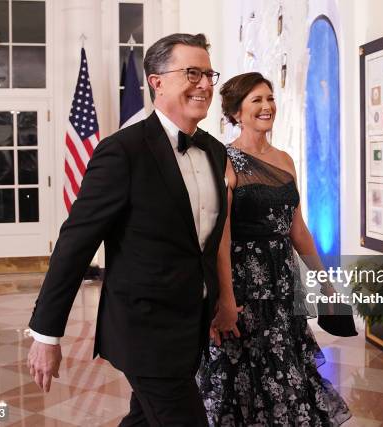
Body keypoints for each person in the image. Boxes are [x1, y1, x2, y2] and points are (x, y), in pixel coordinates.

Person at [27, 33, 240, 426]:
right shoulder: (121, 151)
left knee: (144, 419)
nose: (206, 85)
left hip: (192, 322)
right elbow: (75, 243)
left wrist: (220, 298)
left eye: (209, 74)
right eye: (192, 73)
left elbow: (207, 242)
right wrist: (45, 333)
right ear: (156, 81)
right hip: (144, 329)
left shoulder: (213, 150)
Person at [198, 72, 352, 426]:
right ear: (236, 112)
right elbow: (219, 236)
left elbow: (297, 229)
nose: (267, 106)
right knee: (244, 372)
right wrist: (224, 297)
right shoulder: (224, 159)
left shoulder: (285, 160)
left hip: (282, 282)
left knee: (286, 368)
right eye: (256, 100)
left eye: (270, 98)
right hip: (243, 283)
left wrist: (325, 283)